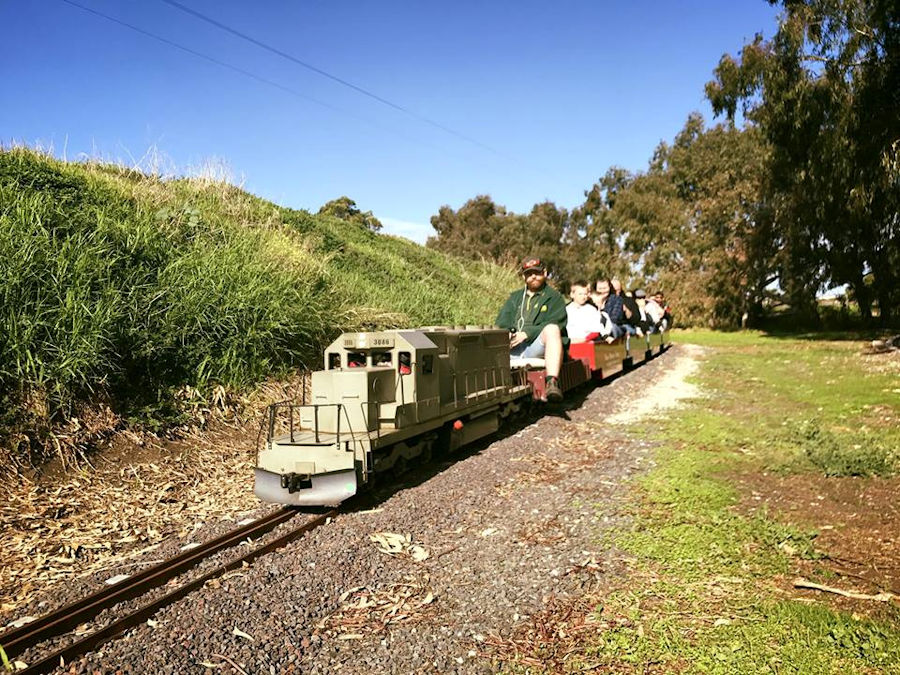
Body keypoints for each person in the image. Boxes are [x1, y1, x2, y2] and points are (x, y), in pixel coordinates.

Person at [496, 257, 567, 402]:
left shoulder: (554, 298)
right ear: (524, 276)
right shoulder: (515, 297)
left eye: (537, 272)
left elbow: (557, 322)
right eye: (529, 274)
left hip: (535, 347)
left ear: (545, 273)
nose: (533, 276)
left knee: (552, 329)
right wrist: (508, 332)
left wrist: (527, 334)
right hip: (513, 347)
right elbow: (502, 320)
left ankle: (552, 382)